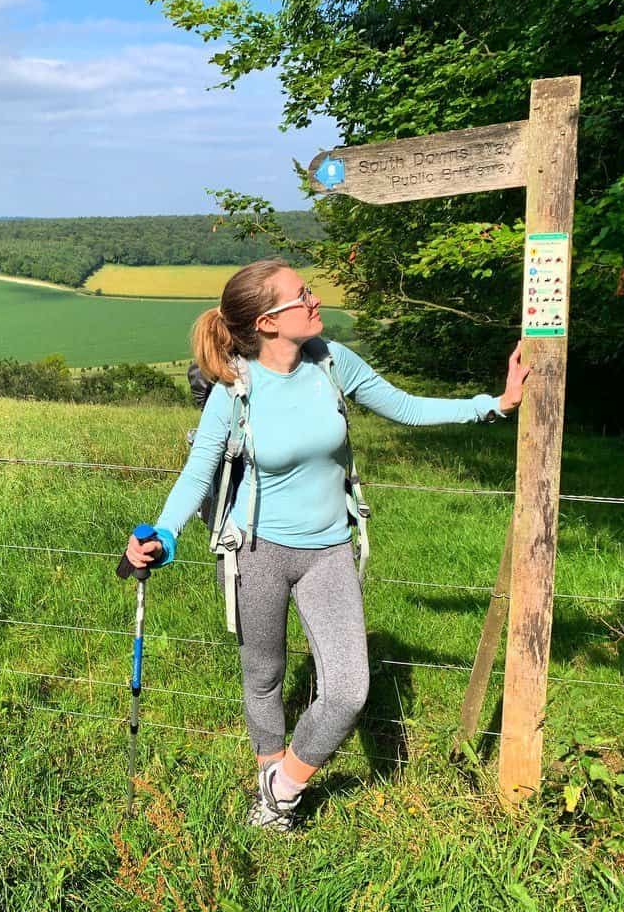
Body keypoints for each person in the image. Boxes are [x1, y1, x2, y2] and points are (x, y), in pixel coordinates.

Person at [123, 258, 529, 832]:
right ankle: (273, 804)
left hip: (329, 550)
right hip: (254, 552)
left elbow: (407, 407)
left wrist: (495, 404)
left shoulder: (334, 363)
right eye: (301, 295)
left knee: (347, 689)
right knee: (263, 674)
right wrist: (163, 534)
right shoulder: (234, 391)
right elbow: (197, 475)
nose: (315, 300)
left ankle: (280, 787)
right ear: (267, 322)